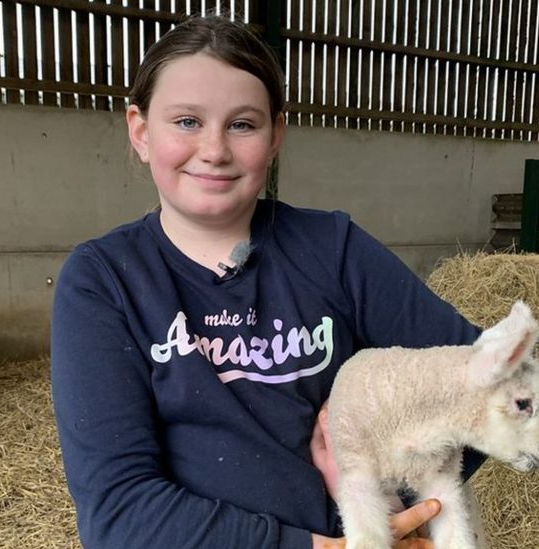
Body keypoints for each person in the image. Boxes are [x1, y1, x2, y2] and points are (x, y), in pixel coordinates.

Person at [51, 15, 485, 549]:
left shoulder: (332, 248)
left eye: (242, 124)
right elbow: (120, 513)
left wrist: (376, 491)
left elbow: (486, 384)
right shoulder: (105, 280)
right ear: (141, 132)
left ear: (275, 135)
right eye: (186, 121)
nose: (214, 150)